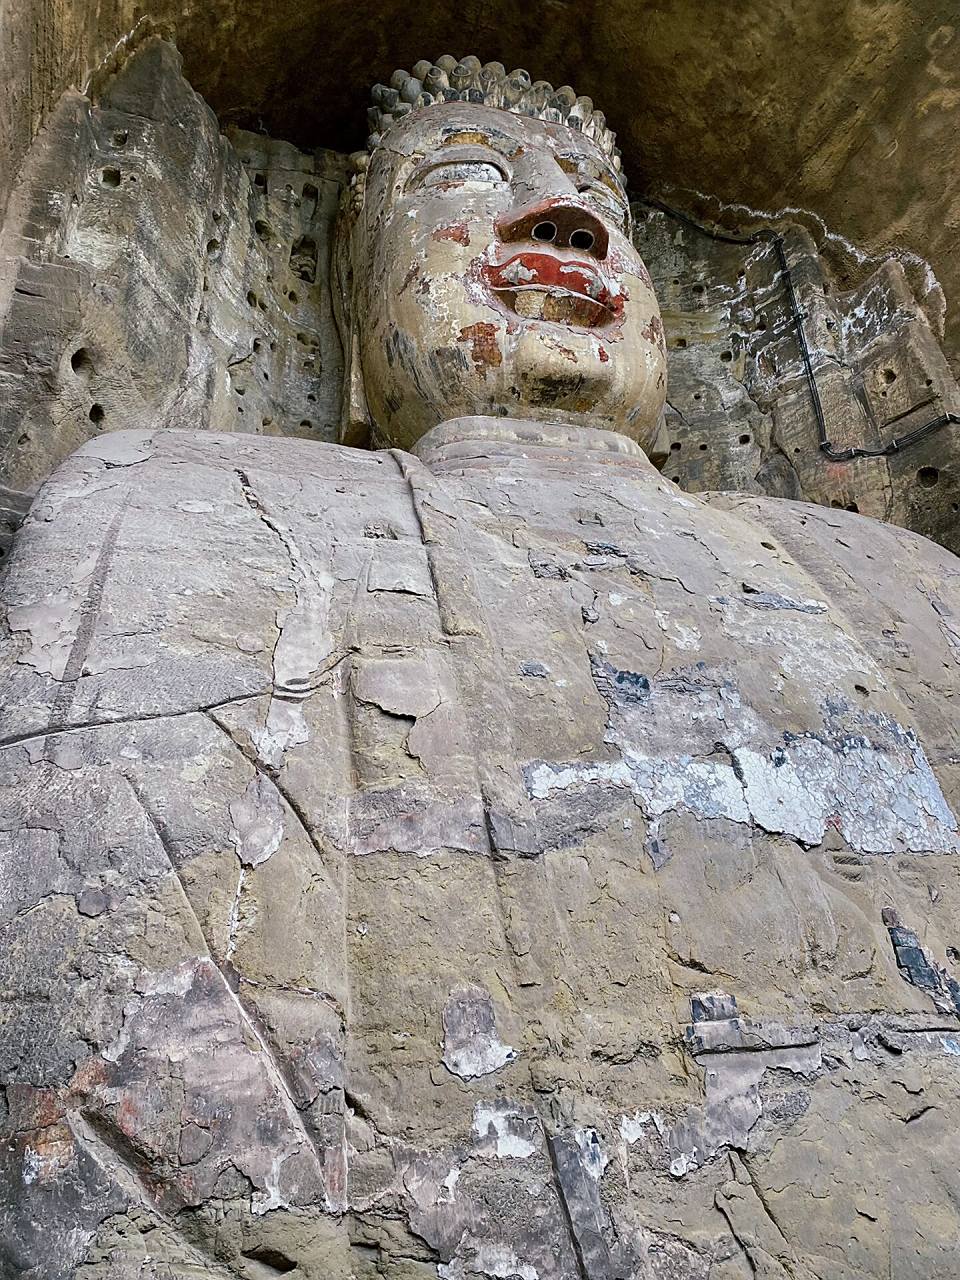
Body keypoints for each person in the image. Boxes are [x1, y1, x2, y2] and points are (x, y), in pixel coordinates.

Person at [2, 55, 960, 1280]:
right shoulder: (187, 512)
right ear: (348, 312)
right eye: (467, 175)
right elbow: (120, 1128)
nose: (562, 217)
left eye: (591, 195)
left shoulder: (900, 582)